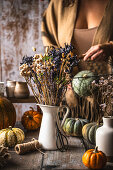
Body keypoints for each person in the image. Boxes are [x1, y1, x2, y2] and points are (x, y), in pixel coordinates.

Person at [41, 0, 113, 121]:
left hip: (108, 101)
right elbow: (50, 46)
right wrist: (62, 75)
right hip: (69, 105)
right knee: (68, 137)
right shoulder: (58, 5)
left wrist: (111, 47)